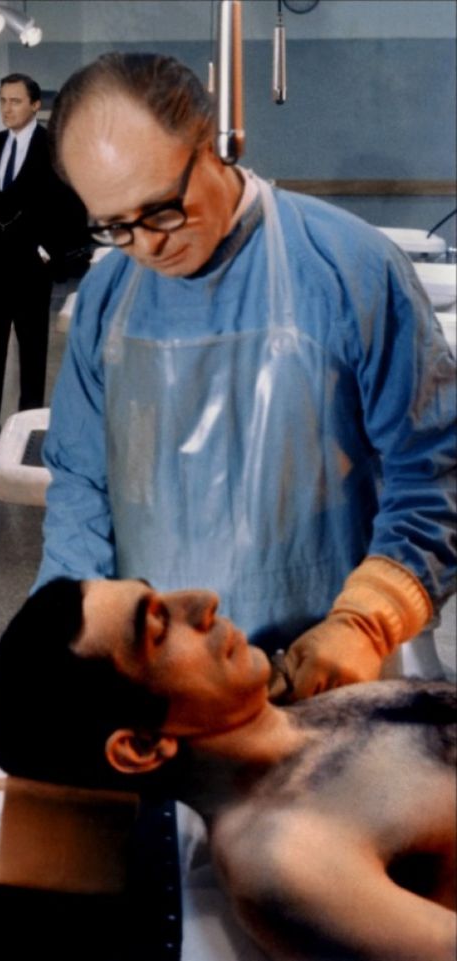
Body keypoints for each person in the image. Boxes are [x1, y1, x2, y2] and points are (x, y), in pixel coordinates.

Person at [34, 52, 456, 699]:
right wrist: (71, 638)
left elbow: (434, 469)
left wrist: (366, 622)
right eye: (115, 226)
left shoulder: (348, 269)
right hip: (170, 678)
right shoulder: (108, 298)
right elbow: (81, 487)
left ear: (214, 143)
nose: (147, 245)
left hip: (328, 669)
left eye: (161, 210)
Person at [0, 577, 457, 961]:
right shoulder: (286, 856)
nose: (203, 600)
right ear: (143, 746)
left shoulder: (314, 704)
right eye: (159, 629)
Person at [0, 73, 87, 453]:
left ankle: (28, 421)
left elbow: (70, 203)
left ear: (34, 105)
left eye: (15, 101)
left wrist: (48, 252)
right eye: (3, 100)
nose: (7, 108)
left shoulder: (53, 146)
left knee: (32, 348)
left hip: (32, 264)